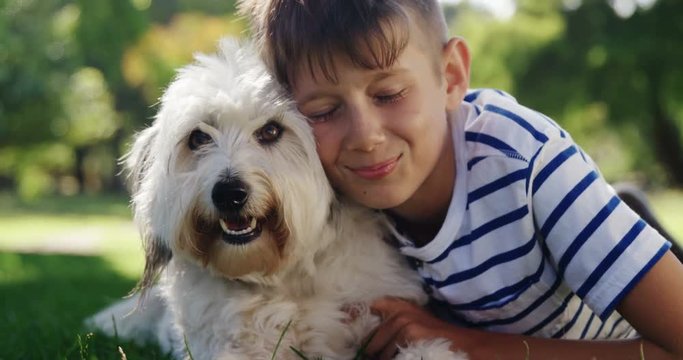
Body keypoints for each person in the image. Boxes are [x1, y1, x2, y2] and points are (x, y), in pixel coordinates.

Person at [239, 0, 683, 358]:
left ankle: (628, 216)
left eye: (389, 94)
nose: (366, 136)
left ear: (450, 77)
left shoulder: (525, 163)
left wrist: (472, 346)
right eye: (323, 111)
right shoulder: (335, 193)